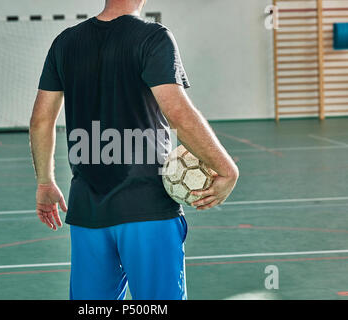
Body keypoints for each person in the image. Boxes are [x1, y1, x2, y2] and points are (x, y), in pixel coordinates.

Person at [29, 0, 239, 300]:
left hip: (88, 211)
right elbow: (177, 112)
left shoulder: (65, 42)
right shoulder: (153, 38)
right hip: (147, 209)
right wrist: (227, 168)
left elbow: (40, 121)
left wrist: (45, 182)